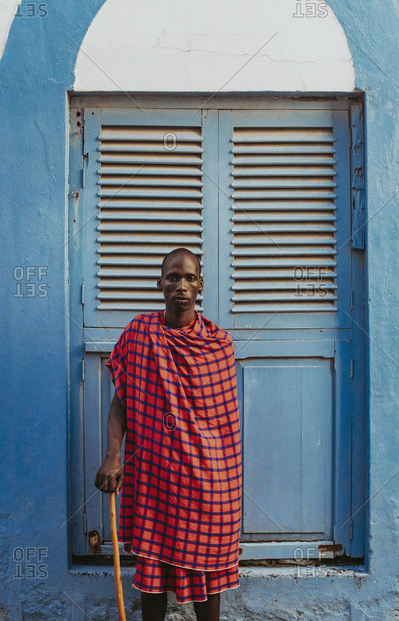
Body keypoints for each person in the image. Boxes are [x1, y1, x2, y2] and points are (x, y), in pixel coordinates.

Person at [95, 248, 242, 621]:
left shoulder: (218, 344)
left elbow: (223, 425)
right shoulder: (140, 334)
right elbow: (122, 401)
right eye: (173, 277)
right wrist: (114, 452)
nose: (181, 285)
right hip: (154, 477)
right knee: (153, 572)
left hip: (208, 480)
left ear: (201, 286)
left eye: (190, 278)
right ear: (160, 284)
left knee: (207, 575)